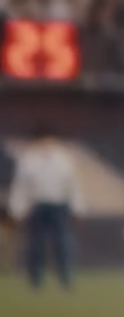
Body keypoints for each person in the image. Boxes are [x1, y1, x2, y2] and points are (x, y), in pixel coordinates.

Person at [8, 121, 82, 291]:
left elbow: (73, 186)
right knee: (36, 245)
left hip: (59, 205)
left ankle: (66, 279)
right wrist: (16, 209)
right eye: (42, 140)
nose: (46, 144)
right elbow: (21, 186)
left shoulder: (64, 159)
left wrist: (78, 208)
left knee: (63, 243)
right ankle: (36, 280)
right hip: (37, 206)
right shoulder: (28, 160)